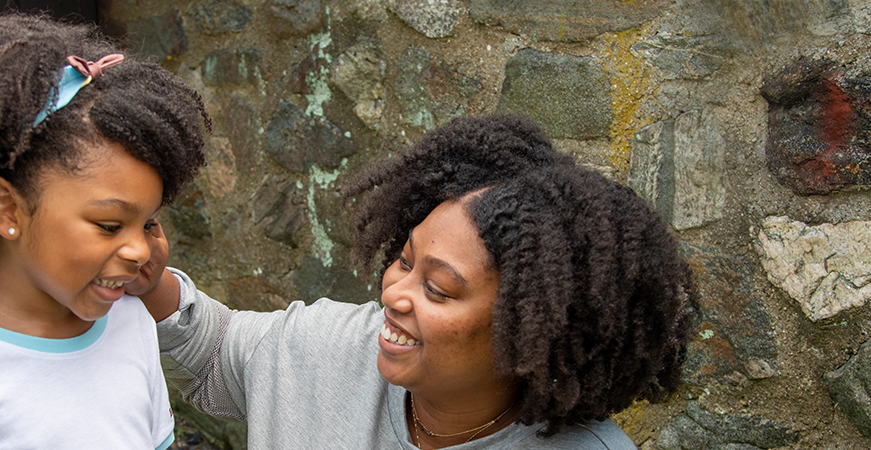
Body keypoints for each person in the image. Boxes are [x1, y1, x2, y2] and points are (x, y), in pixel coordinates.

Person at [131, 115, 694, 449]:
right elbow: (212, 351)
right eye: (404, 261)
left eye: (439, 290)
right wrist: (148, 278)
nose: (392, 296)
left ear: (531, 331)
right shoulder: (323, 348)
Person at [0, 13, 208, 449]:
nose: (140, 249)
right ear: (7, 209)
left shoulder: (131, 325)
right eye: (109, 225)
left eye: (148, 222)